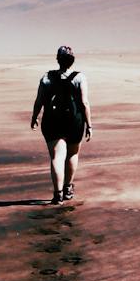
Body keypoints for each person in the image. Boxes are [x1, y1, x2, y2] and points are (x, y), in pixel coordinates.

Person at [30, 44, 91, 203]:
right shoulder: (80, 77)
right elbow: (84, 103)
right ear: (72, 60)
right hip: (74, 121)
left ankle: (58, 195)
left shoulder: (47, 77)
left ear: (58, 59)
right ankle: (68, 188)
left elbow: (39, 101)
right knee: (72, 154)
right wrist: (89, 125)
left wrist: (34, 117)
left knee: (57, 157)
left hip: (52, 121)